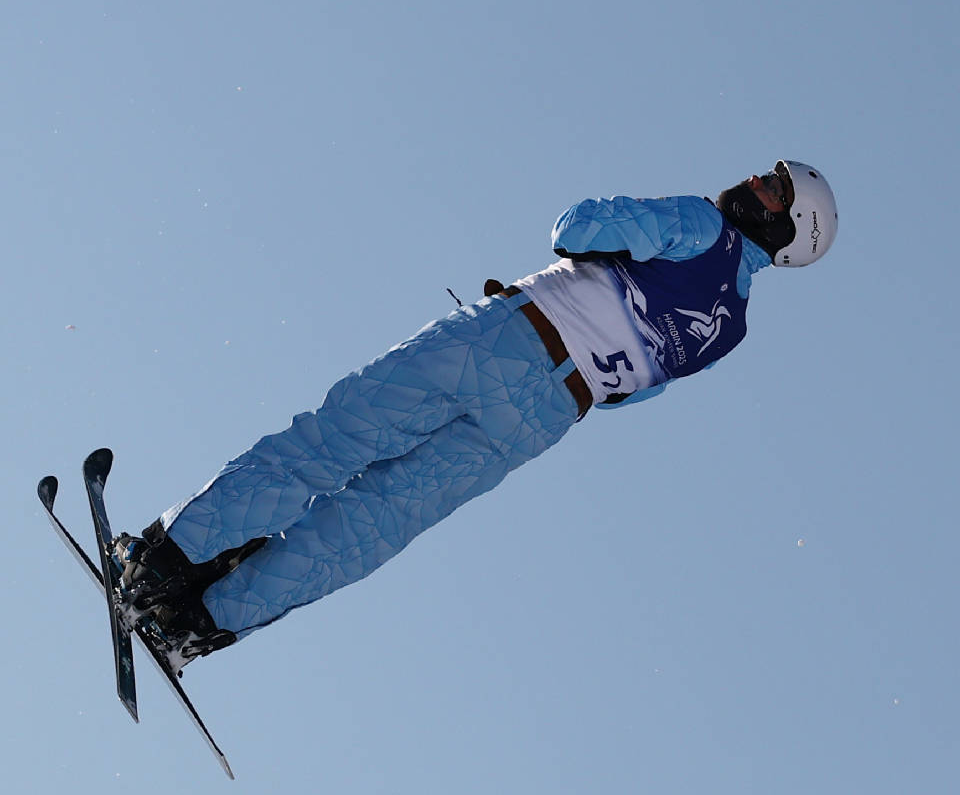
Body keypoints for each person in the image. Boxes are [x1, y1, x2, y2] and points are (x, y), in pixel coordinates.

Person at [106, 159, 837, 670]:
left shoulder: (698, 221)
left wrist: (617, 223)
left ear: (788, 230)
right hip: (547, 417)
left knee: (332, 441)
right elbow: (639, 390)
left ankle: (163, 564)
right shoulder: (732, 325)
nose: (754, 183)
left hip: (507, 341)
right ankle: (203, 623)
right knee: (374, 523)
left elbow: (575, 229)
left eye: (775, 188)